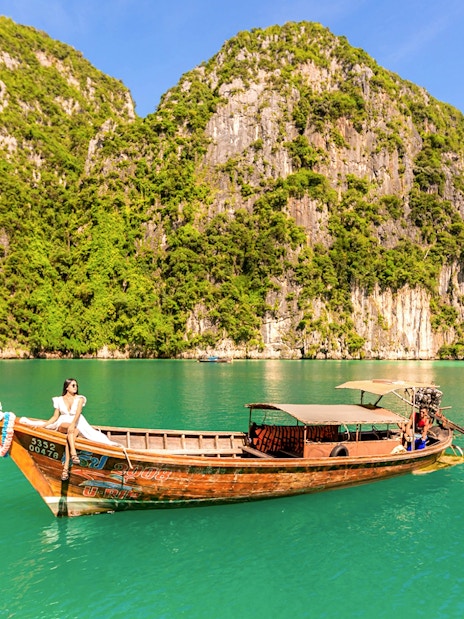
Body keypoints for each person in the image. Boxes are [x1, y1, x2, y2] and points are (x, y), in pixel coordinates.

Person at [41, 378, 116, 480]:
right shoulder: (59, 400)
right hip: (62, 422)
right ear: (67, 387)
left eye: (76, 385)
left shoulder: (80, 398)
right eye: (73, 385)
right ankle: (73, 454)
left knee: (72, 432)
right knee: (70, 430)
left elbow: (78, 413)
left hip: (77, 422)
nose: (75, 387)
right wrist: (43, 425)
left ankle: (66, 468)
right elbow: (55, 417)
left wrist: (72, 424)